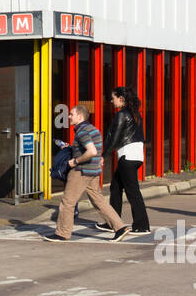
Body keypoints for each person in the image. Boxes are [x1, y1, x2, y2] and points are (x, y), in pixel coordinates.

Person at [44, 105, 133, 242]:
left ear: (80, 117)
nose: (69, 116)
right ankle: (120, 227)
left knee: (67, 202)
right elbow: (92, 149)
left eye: (71, 114)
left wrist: (75, 161)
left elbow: (91, 151)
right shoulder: (93, 129)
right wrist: (72, 148)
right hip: (93, 171)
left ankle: (62, 233)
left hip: (81, 171)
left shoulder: (82, 131)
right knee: (99, 201)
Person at [102, 86, 150, 233]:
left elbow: (114, 138)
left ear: (121, 99)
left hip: (127, 157)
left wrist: (104, 156)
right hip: (135, 156)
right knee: (115, 188)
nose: (111, 101)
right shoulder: (135, 114)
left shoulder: (122, 115)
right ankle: (114, 223)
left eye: (113, 98)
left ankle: (142, 225)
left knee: (132, 192)